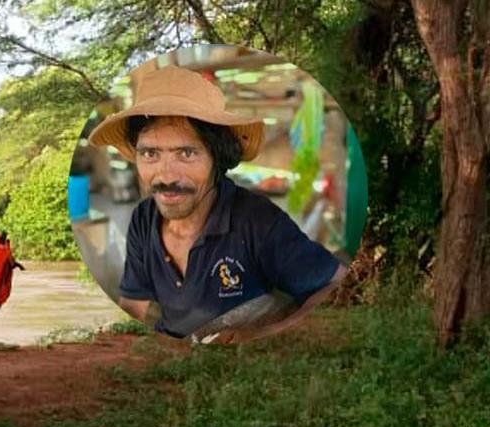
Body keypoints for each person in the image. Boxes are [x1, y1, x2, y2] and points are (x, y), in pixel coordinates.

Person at [88, 66, 347, 343]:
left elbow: (336, 285)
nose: (166, 176)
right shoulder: (144, 217)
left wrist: (261, 334)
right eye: (150, 153)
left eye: (187, 153)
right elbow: (133, 303)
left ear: (217, 157)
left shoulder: (257, 220)